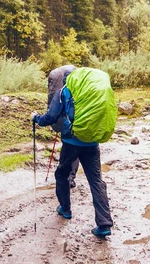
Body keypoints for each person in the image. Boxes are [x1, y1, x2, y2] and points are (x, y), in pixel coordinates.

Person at [31, 68, 114, 238]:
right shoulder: (91, 92)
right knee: (96, 181)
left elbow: (51, 117)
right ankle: (104, 223)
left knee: (62, 174)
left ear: (68, 80)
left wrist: (36, 118)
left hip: (71, 142)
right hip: (92, 142)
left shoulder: (64, 91)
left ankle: (65, 209)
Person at [47, 65, 79, 188]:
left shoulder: (59, 87)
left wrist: (55, 123)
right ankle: (71, 177)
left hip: (66, 125)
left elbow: (52, 102)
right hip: (80, 128)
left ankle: (66, 178)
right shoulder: (79, 89)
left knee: (69, 147)